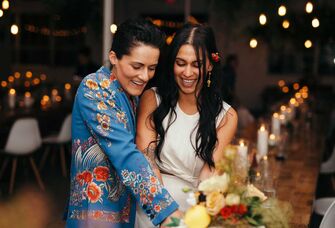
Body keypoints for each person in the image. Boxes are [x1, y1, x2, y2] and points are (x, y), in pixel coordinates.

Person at [65, 19, 182, 228]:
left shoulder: (131, 95)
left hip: (124, 214)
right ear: (113, 57)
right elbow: (125, 152)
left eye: (152, 68)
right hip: (94, 216)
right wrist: (164, 211)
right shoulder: (94, 87)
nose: (144, 76)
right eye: (137, 66)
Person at [135, 23, 238, 227]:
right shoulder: (152, 99)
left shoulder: (227, 116)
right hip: (154, 201)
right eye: (180, 63)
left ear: (209, 65)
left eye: (196, 64)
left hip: (194, 208)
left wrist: (195, 217)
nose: (187, 73)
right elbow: (147, 160)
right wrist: (165, 212)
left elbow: (209, 175)